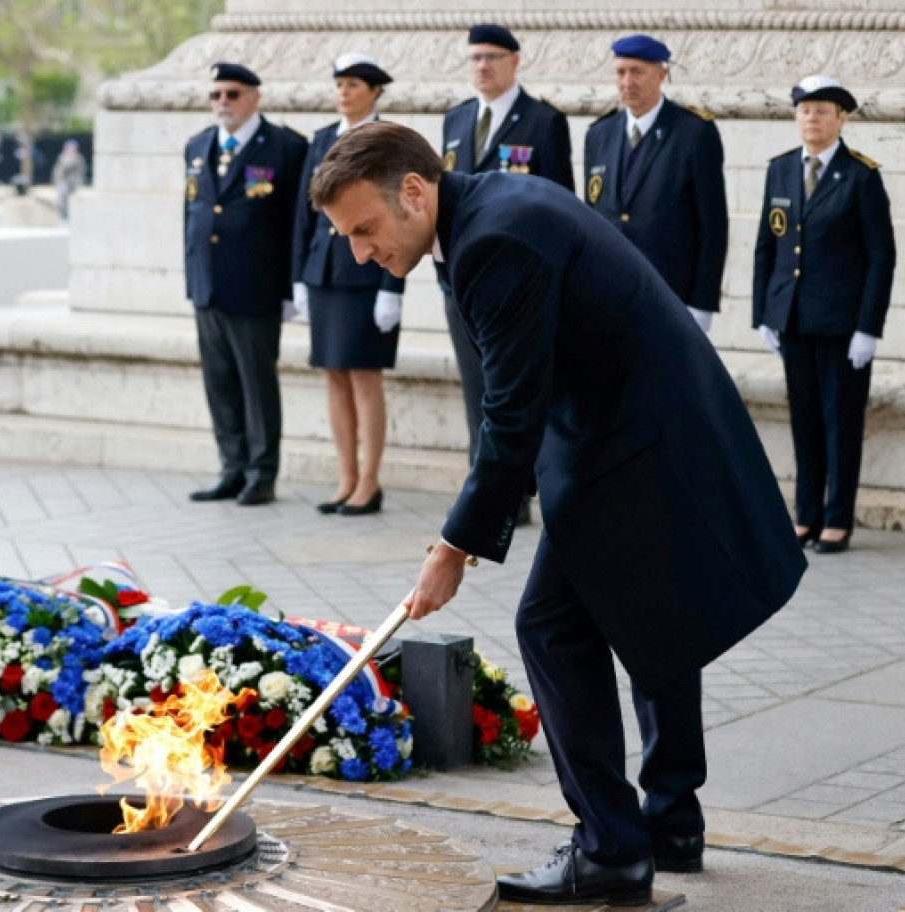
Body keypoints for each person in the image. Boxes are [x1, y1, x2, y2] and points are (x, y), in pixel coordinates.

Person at [310, 122, 805, 906]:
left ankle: (611, 846)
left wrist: (455, 544)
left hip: (632, 442)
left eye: (364, 230)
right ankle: (670, 822)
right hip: (641, 429)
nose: (359, 253)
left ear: (412, 190)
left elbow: (512, 413)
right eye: (345, 238)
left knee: (553, 626)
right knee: (653, 616)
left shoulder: (493, 240)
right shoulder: (486, 209)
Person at [752, 76, 896, 555]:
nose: (810, 118)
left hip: (841, 323)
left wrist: (868, 328)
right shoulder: (781, 170)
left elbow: (880, 256)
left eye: (821, 110)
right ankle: (806, 513)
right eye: (804, 110)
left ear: (842, 118)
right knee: (805, 421)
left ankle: (837, 518)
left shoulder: (860, 175)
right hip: (792, 318)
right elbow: (766, 247)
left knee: (841, 422)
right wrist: (764, 312)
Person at [440, 23, 573, 525]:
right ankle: (491, 492)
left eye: (493, 57)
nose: (482, 66)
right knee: (477, 388)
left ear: (515, 62)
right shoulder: (456, 120)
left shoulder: (542, 122)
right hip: (460, 280)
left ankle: (523, 486)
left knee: (513, 386)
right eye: (474, 57)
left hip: (519, 286)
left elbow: (559, 205)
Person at [184, 62, 308, 506]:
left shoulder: (285, 147)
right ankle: (231, 468)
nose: (223, 103)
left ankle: (262, 472)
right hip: (209, 286)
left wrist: (295, 285)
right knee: (220, 382)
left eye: (232, 94)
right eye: (216, 95)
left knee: (257, 384)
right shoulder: (198, 146)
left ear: (255, 97)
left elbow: (298, 221)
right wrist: (193, 276)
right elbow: (194, 215)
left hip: (255, 286)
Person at [291, 54, 401, 517]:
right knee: (334, 375)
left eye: (354, 83)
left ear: (375, 91)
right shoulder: (322, 139)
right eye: (339, 83)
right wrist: (298, 275)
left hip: (367, 273)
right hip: (325, 273)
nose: (344, 91)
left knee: (364, 378)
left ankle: (370, 482)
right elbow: (304, 211)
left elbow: (399, 215)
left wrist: (392, 285)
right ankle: (346, 477)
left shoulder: (389, 141)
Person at [583, 34, 728, 335]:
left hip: (670, 293)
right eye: (621, 72)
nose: (627, 82)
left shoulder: (693, 133)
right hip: (609, 290)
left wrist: (702, 303)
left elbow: (712, 226)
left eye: (637, 72)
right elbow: (591, 218)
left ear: (661, 75)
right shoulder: (600, 133)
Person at [52, 139, 87, 219]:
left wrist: (79, 183)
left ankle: (74, 216)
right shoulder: (62, 157)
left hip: (74, 182)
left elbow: (80, 172)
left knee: (75, 200)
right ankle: (64, 217)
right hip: (63, 182)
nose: (72, 150)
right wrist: (57, 182)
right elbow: (58, 172)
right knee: (63, 198)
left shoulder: (79, 158)